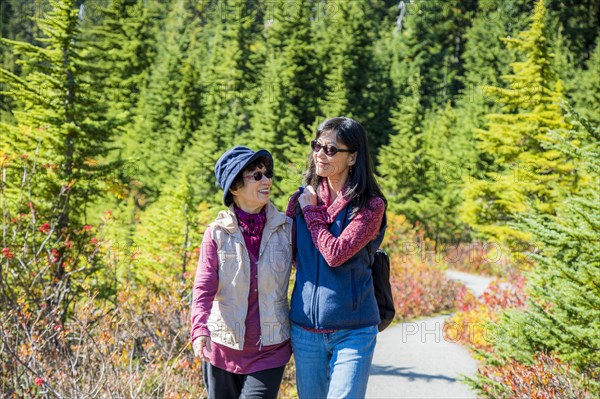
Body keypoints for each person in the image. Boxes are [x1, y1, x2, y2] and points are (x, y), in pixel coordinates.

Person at [286, 117, 387, 399]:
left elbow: (334, 254)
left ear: (353, 157)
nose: (320, 154)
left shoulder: (369, 206)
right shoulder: (300, 200)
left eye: (331, 149)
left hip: (353, 330)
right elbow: (289, 256)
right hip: (305, 329)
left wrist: (312, 212)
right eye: (317, 146)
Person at [191, 146, 293, 399]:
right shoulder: (215, 233)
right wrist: (199, 329)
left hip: (271, 349)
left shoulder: (287, 228)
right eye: (256, 175)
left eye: (267, 173)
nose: (266, 180)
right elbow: (203, 288)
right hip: (222, 347)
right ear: (235, 188)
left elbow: (313, 273)